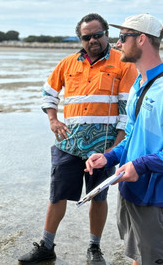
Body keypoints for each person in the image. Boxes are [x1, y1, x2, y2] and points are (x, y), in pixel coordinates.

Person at [18, 13, 138, 264]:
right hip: (68, 145)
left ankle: (94, 248)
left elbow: (126, 111)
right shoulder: (67, 63)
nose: (92, 40)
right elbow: (48, 94)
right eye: (87, 37)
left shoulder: (123, 63)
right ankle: (47, 246)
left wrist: (115, 148)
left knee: (98, 196)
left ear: (107, 34)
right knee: (57, 195)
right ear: (80, 38)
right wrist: (53, 120)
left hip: (104, 148)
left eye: (97, 34)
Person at [85, 14, 163, 265]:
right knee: (139, 256)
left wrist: (140, 165)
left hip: (155, 197)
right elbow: (131, 136)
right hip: (130, 190)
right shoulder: (139, 84)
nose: (116, 44)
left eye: (122, 38)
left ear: (141, 39)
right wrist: (108, 157)